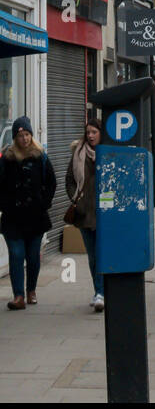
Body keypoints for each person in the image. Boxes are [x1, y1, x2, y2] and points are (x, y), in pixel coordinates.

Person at [0, 116, 56, 310]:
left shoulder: (40, 156)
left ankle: (31, 290)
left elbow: (51, 182)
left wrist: (44, 203)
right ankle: (18, 296)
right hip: (13, 218)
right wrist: (5, 206)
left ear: (31, 135)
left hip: (36, 217)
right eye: (20, 135)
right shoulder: (7, 158)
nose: (24, 139)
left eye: (27, 135)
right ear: (15, 138)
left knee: (32, 257)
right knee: (16, 254)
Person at [65, 119, 104, 311]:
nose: (90, 136)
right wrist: (76, 200)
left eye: (94, 132)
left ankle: (103, 292)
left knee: (103, 253)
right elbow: (69, 180)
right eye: (88, 132)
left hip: (104, 213)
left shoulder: (107, 153)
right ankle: (98, 291)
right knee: (93, 256)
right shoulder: (78, 153)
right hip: (84, 213)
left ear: (101, 133)